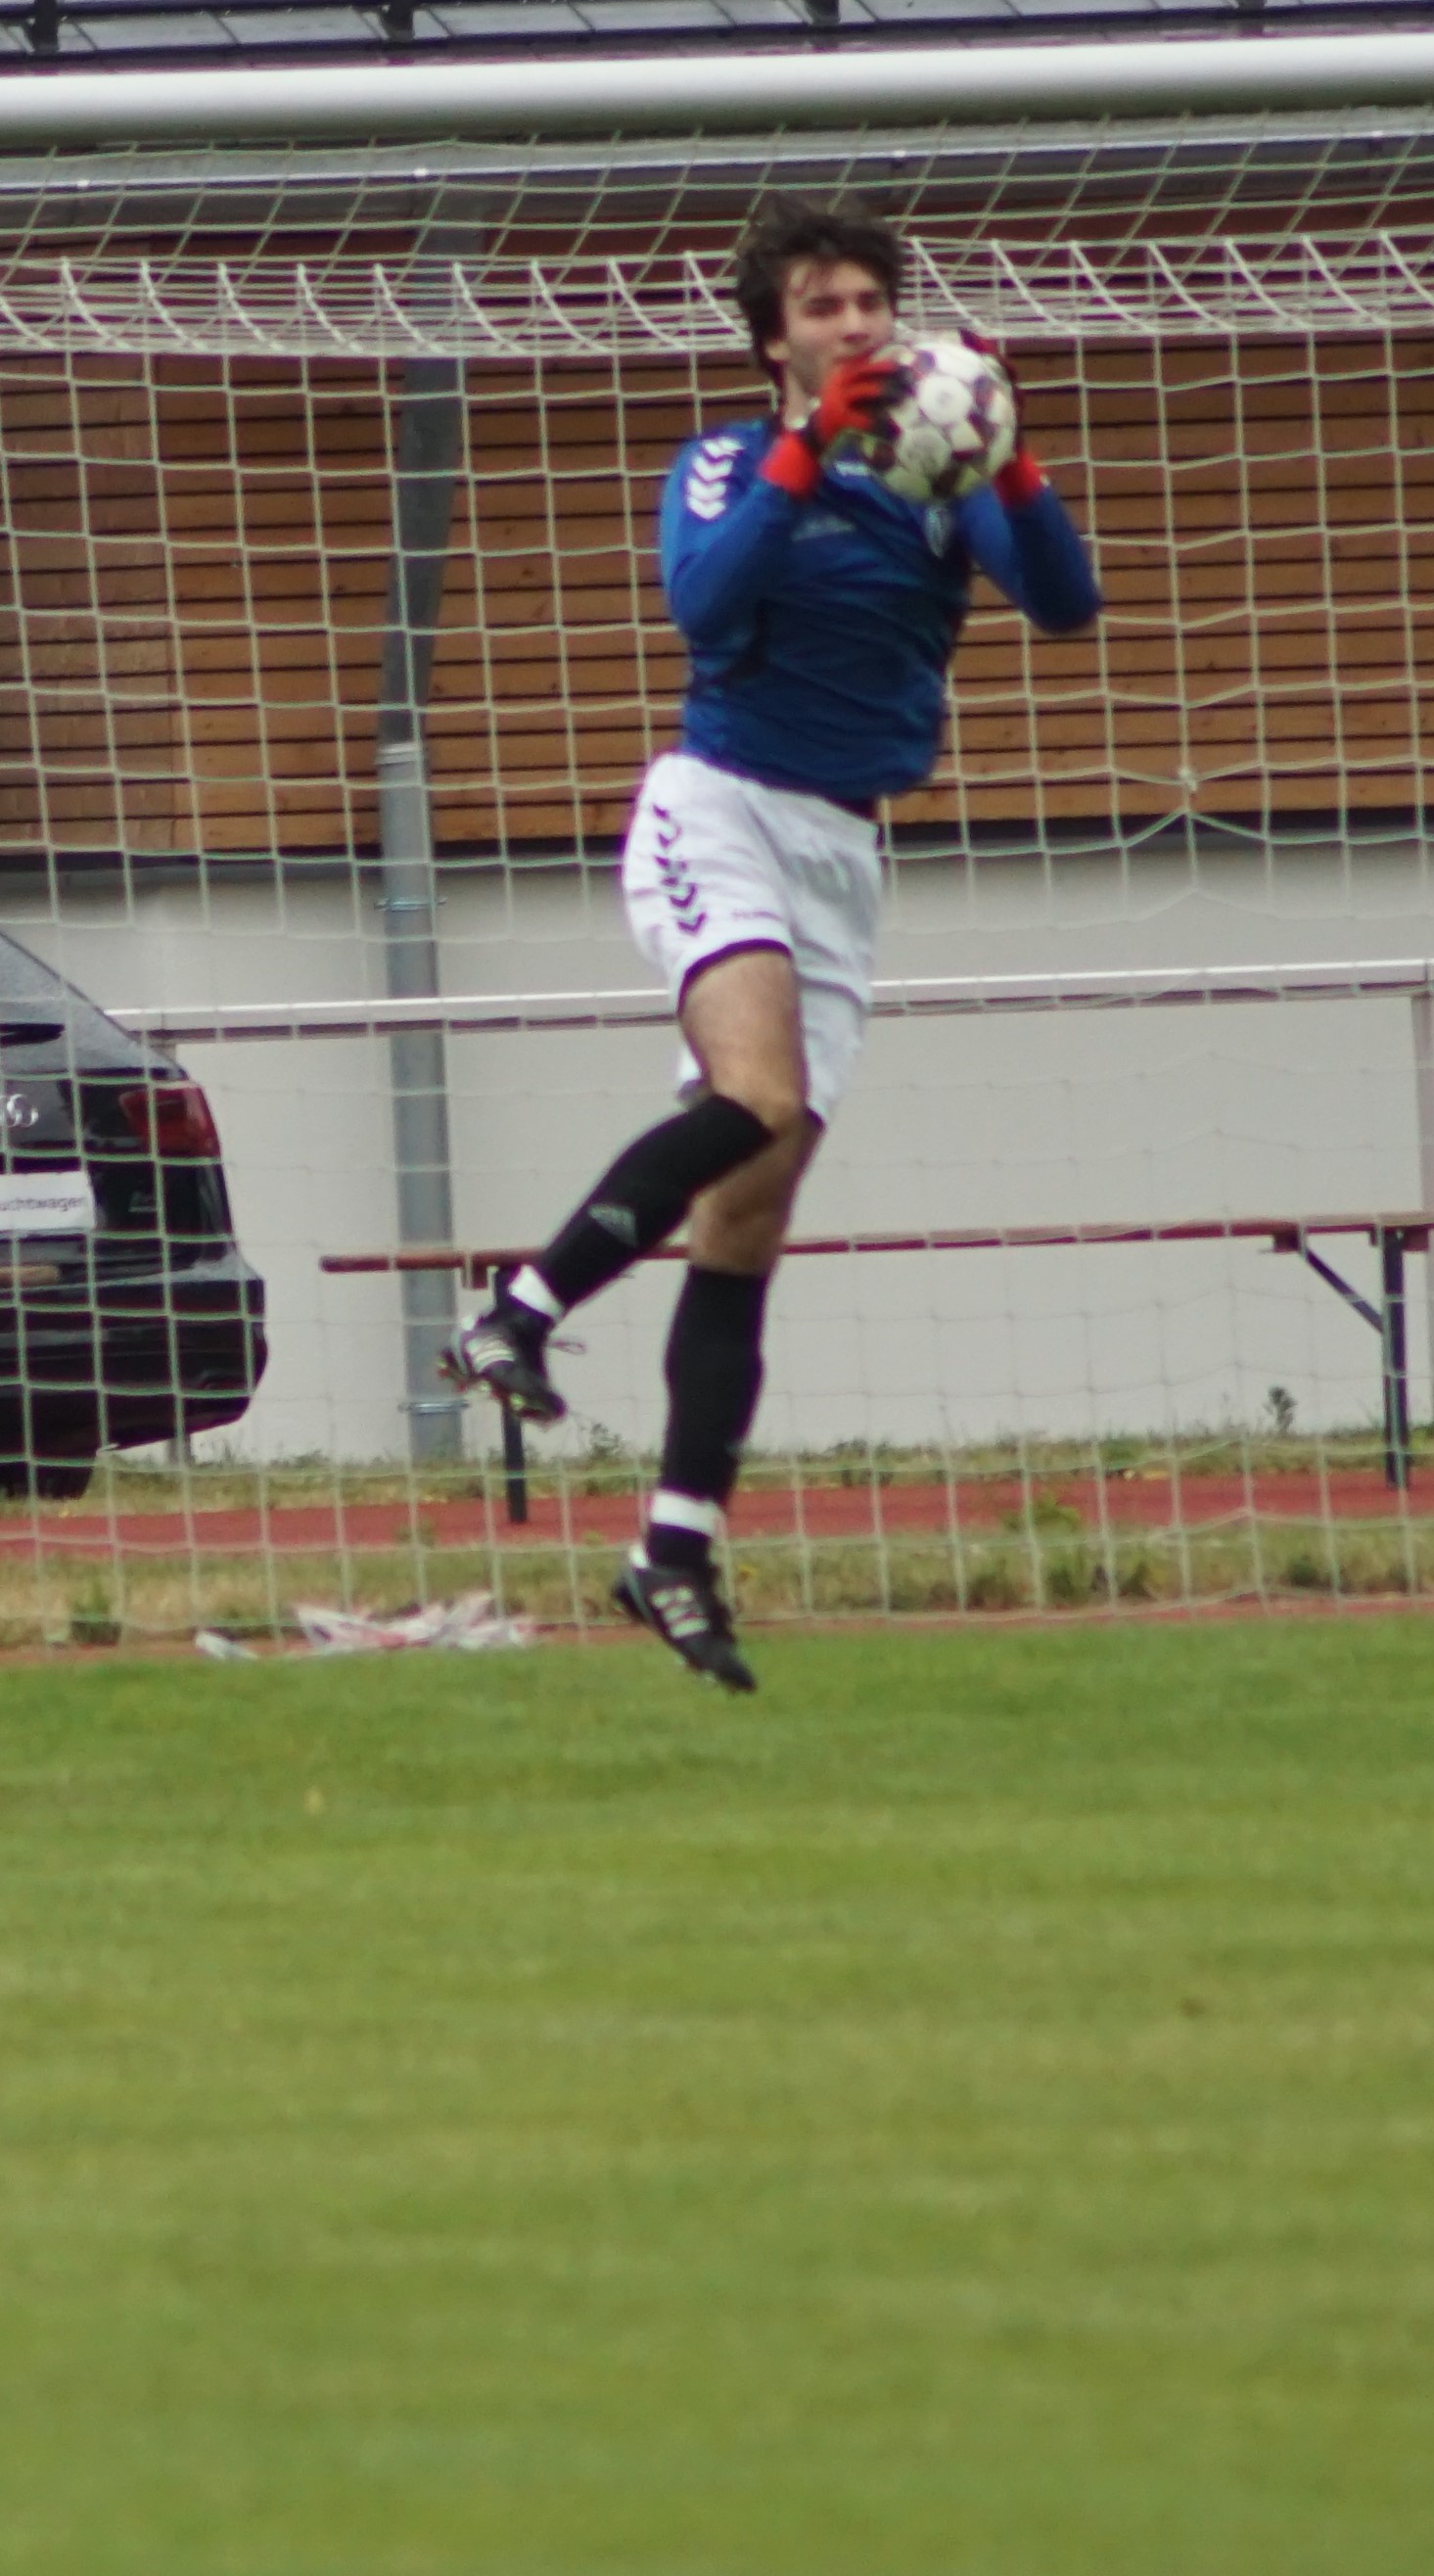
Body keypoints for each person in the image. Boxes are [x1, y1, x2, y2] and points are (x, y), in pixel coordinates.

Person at [441, 194, 1102, 1690]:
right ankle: (515, 1314)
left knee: (747, 1214)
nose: (857, 325)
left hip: (842, 856)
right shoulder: (736, 459)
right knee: (758, 1099)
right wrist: (806, 455)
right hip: (720, 807)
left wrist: (1019, 453)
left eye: (872, 300)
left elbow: (1066, 603)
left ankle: (671, 1552)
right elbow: (703, 604)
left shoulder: (945, 472)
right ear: (775, 343)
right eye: (821, 305)